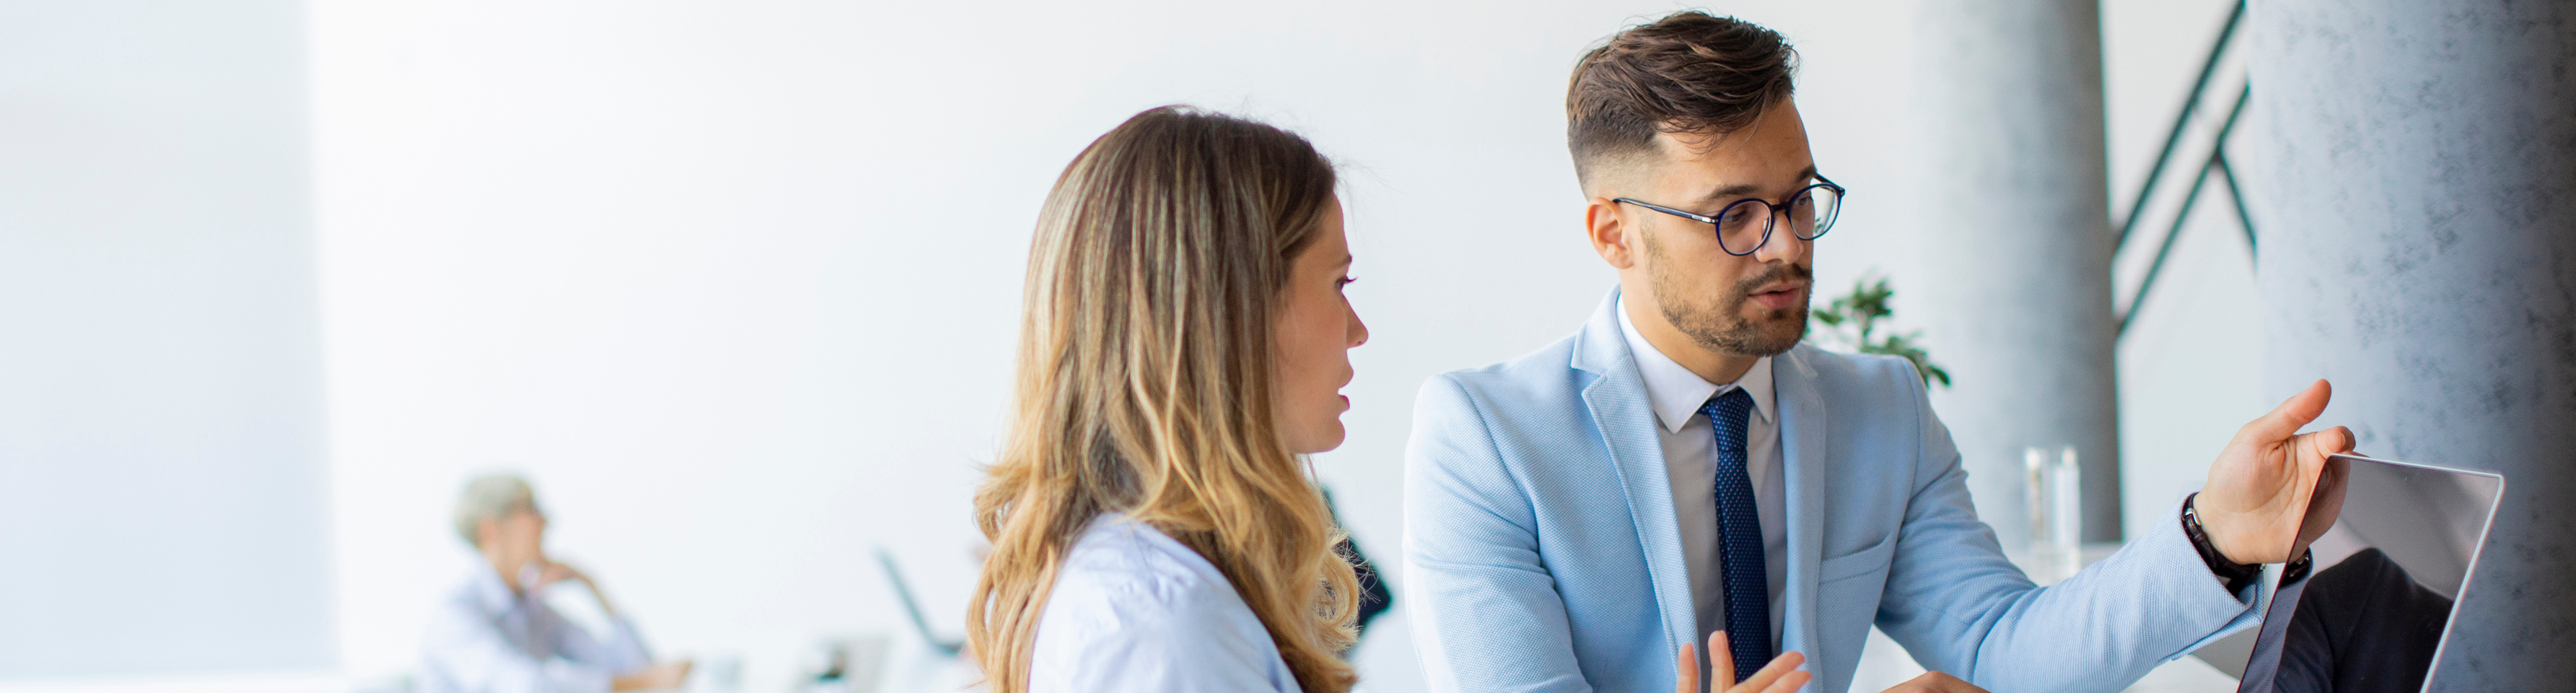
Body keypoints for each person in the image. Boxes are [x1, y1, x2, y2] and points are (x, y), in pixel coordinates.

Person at [1401, 12, 2360, 693]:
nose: (1786, 245)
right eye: (1733, 214)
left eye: (1798, 199)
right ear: (1613, 233)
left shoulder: (1881, 411)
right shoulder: (1485, 439)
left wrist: (2215, 535)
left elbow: (2005, 645)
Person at [963, 105, 1370, 693]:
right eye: (1339, 284)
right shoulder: (1162, 623)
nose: (1357, 329)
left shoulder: (1157, 595)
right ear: (1236, 312)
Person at [419, 474, 693, 693]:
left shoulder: (534, 611)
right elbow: (526, 687)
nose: (546, 522)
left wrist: (592, 586)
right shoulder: (455, 614)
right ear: (491, 529)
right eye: (530, 509)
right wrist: (643, 683)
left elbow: (636, 667)